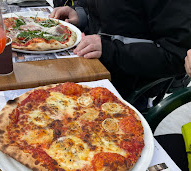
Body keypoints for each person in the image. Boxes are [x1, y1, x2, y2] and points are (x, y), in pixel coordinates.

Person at [50, 0, 191, 109]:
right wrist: (80, 16)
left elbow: (177, 54)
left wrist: (110, 50)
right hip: (87, 69)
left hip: (129, 91)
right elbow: (108, 16)